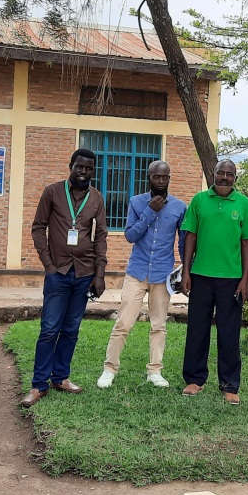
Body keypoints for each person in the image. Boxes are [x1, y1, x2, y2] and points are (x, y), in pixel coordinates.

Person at [21, 148, 108, 407]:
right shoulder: (52, 192)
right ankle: (39, 385)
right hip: (57, 272)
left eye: (89, 168)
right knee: (49, 329)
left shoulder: (97, 199)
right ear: (70, 166)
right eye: (79, 166)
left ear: (93, 171)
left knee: (71, 329)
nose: (83, 172)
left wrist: (100, 274)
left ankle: (60, 377)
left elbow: (101, 235)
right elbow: (39, 227)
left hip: (84, 273)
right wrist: (47, 264)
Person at [97, 160, 186, 389]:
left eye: (165, 177)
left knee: (159, 325)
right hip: (136, 273)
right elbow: (130, 235)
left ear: (169, 178)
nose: (160, 181)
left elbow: (184, 241)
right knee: (123, 323)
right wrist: (150, 212)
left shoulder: (178, 207)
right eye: (156, 177)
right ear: (149, 178)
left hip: (162, 275)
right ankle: (109, 369)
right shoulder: (137, 202)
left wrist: (186, 267)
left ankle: (155, 371)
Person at [179, 159, 248, 404]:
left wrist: (245, 279)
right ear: (213, 174)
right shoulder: (199, 200)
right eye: (220, 173)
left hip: (232, 279)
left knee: (229, 333)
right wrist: (186, 271)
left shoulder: (244, 204)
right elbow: (190, 235)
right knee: (197, 330)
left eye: (229, 174)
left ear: (235, 177)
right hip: (201, 275)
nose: (224, 177)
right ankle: (194, 379)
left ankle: (229, 385)